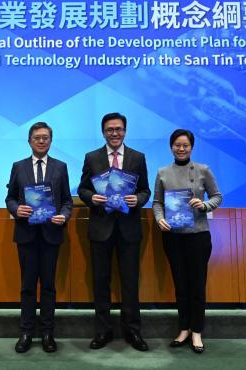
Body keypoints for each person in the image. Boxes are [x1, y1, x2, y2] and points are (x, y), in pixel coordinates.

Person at [77, 112, 151, 351]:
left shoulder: (137, 157)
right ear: (103, 132)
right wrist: (92, 198)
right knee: (101, 282)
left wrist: (137, 200)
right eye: (110, 129)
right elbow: (83, 189)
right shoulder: (92, 157)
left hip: (129, 229)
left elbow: (145, 191)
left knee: (130, 282)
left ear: (125, 131)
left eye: (118, 129)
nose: (114, 133)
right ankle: (103, 331)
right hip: (101, 228)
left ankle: (133, 331)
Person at [152, 129, 222, 354]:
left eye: (185, 145)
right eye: (177, 145)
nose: (181, 149)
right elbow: (157, 202)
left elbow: (217, 196)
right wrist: (160, 219)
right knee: (180, 286)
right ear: (171, 146)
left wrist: (204, 205)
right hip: (173, 237)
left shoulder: (203, 170)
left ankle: (197, 331)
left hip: (198, 236)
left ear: (191, 147)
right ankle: (183, 328)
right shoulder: (162, 172)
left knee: (197, 286)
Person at [5, 122, 73, 353]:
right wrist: (16, 209)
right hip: (26, 235)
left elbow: (67, 201)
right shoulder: (18, 166)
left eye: (45, 137)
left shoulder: (60, 167)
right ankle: (26, 332)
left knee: (48, 286)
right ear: (29, 141)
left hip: (51, 234)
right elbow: (10, 198)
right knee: (27, 286)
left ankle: (47, 333)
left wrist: (64, 216)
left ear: (51, 141)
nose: (41, 141)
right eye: (37, 138)